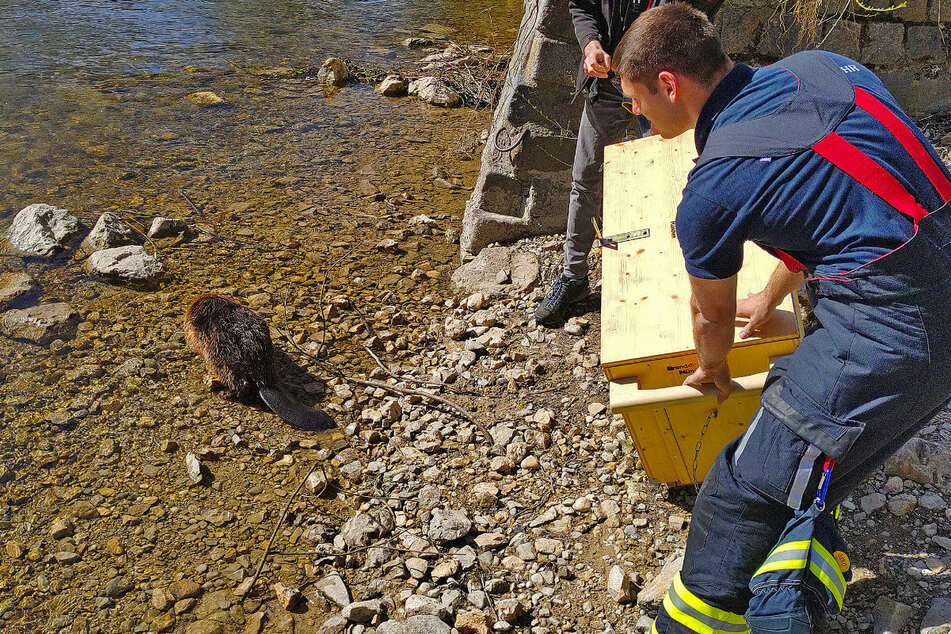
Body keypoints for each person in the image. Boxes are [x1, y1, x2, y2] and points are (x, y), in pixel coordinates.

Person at [610, 3, 951, 632]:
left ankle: (702, 623)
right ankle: (806, 544)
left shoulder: (713, 189)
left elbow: (708, 320)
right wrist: (768, 301)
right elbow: (835, 205)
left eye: (633, 97)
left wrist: (712, 373)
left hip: (898, 333)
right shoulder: (823, 69)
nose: (633, 112)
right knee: (818, 465)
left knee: (740, 491)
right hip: (936, 276)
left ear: (668, 84)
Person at [535, 0, 723, 327]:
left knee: (672, 181)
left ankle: (680, 279)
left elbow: (690, 25)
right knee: (584, 181)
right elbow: (582, 6)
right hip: (605, 87)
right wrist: (591, 44)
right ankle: (573, 277)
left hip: (656, 89)